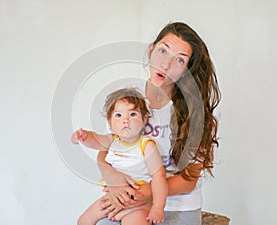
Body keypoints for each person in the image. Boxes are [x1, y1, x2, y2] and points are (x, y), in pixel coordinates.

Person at [72, 22, 221, 225]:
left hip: (177, 208)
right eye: (162, 51)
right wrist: (111, 177)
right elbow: (109, 147)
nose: (165, 65)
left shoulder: (195, 114)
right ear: (151, 50)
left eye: (179, 60)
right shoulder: (129, 102)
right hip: (128, 201)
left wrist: (149, 192)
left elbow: (189, 180)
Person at [76, 88, 168, 225]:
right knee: (84, 220)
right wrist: (81, 136)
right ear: (110, 123)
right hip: (113, 198)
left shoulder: (147, 146)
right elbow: (94, 139)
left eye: (132, 114)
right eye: (118, 115)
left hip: (138, 205)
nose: (126, 120)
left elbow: (159, 177)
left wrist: (158, 207)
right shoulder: (111, 140)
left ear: (144, 120)